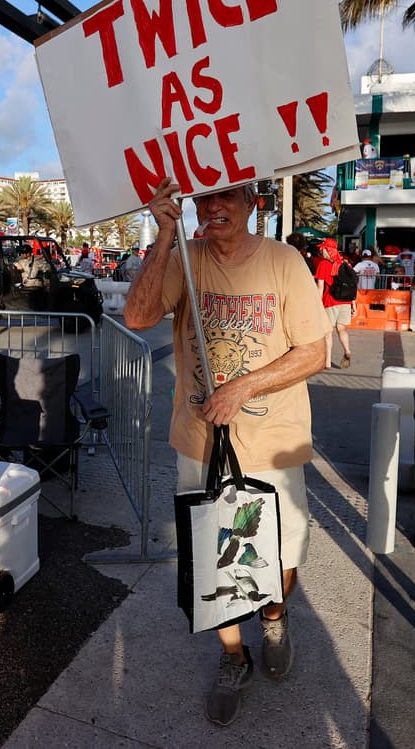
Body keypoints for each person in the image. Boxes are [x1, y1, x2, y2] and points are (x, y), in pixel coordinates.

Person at [125, 177, 326, 727]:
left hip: (275, 444)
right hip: (201, 443)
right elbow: (138, 317)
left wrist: (243, 387)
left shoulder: (285, 262)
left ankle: (276, 617)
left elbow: (314, 351)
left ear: (251, 204)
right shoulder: (184, 258)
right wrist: (163, 234)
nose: (215, 207)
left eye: (228, 197)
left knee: (282, 558)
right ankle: (232, 657)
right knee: (216, 561)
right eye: (205, 198)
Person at [314, 238, 354, 370]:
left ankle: (328, 362)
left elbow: (320, 287)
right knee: (341, 328)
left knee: (328, 332)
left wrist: (318, 305)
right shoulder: (344, 263)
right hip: (346, 301)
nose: (321, 250)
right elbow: (352, 284)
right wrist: (354, 303)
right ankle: (347, 350)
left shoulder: (323, 264)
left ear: (327, 250)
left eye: (323, 248)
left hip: (330, 302)